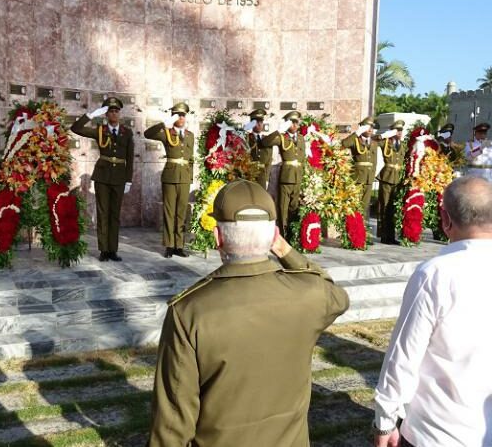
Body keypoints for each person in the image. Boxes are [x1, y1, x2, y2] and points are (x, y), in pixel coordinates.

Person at [148, 179, 349, 446]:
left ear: (218, 236)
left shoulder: (190, 311)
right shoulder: (308, 295)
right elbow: (330, 290)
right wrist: (285, 250)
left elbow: (173, 422)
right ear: (274, 235)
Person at [373, 176, 492, 447]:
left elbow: (404, 356)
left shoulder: (434, 275)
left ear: (445, 219)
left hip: (433, 435)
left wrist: (385, 420)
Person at [71, 97, 133, 262]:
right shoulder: (100, 130)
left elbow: (130, 157)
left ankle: (113, 249)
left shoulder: (127, 132)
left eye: (116, 111)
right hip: (103, 176)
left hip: (119, 176)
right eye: (110, 111)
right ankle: (104, 250)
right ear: (106, 115)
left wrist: (129, 180)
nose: (113, 114)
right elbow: (75, 128)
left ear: (119, 114)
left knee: (115, 215)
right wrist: (90, 115)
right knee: (103, 213)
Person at [144, 102, 194, 258]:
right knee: (169, 212)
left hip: (184, 177)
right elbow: (148, 134)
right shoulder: (166, 133)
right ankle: (169, 245)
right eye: (177, 115)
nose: (180, 118)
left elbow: (190, 159)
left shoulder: (190, 135)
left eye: (183, 115)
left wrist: (190, 177)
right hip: (170, 176)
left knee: (181, 213)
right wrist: (163, 123)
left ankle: (179, 245)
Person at [262, 111, 306, 238]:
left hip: (297, 177)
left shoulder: (302, 139)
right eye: (292, 122)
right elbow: (265, 142)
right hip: (286, 177)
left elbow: (302, 159)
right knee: (282, 207)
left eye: (297, 122)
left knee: (294, 206)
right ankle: (282, 234)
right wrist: (278, 130)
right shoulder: (282, 137)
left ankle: (292, 233)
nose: (295, 125)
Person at [342, 116, 379, 219]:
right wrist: (357, 133)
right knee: (354, 205)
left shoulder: (374, 142)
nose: (370, 129)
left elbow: (374, 161)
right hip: (357, 178)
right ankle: (353, 227)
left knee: (364, 206)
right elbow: (344, 144)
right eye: (367, 127)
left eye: (372, 127)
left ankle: (361, 228)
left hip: (369, 178)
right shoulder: (355, 140)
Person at [376, 120, 406, 244]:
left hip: (398, 178)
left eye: (400, 131)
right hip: (386, 177)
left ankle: (391, 236)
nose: (399, 133)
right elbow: (374, 140)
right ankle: (384, 236)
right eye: (397, 130)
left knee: (393, 208)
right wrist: (385, 135)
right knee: (384, 206)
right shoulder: (386, 142)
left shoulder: (403, 145)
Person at [464, 122, 492, 189]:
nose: (482, 135)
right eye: (480, 133)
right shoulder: (469, 144)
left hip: (488, 176)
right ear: (476, 133)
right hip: (474, 175)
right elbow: (468, 158)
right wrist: (480, 148)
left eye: (484, 133)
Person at [243, 108, 273, 189]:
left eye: (261, 122)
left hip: (262, 177)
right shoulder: (246, 139)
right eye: (256, 122)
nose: (259, 125)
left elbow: (269, 161)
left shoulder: (267, 140)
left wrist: (266, 179)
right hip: (249, 175)